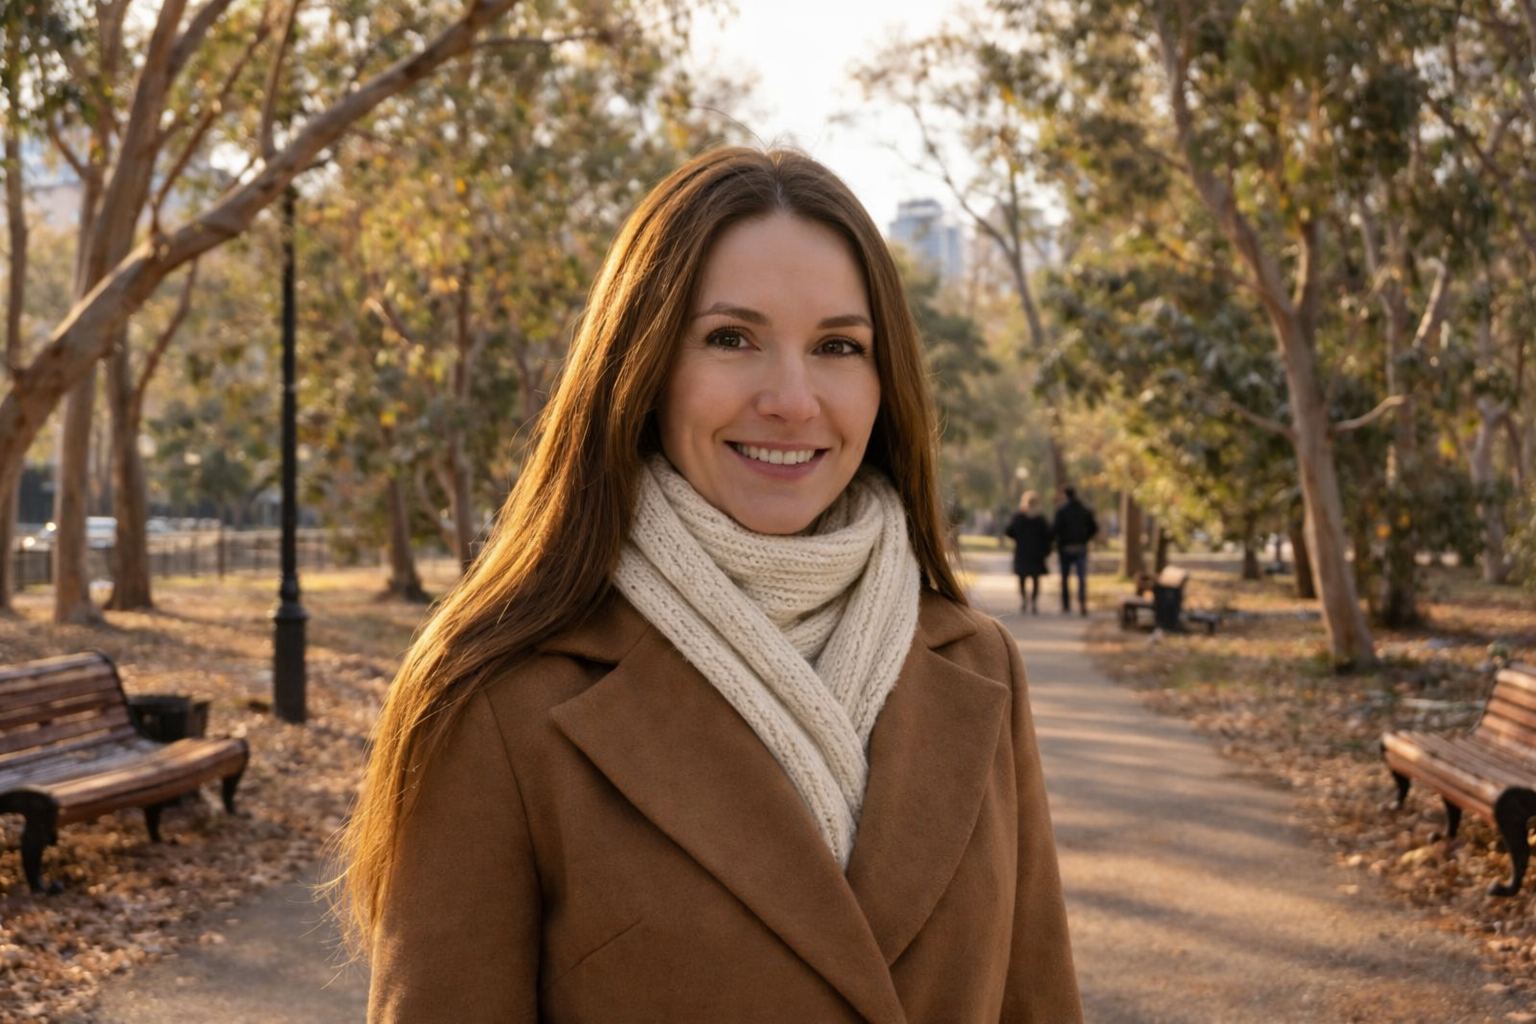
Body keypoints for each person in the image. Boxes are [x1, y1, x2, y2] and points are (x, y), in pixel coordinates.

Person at [335, 147, 1082, 1023]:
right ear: (642, 367)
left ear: (887, 383)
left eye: (839, 346)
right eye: (732, 339)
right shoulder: (499, 697)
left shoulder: (978, 665)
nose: (793, 399)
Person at [1005, 490, 1053, 614]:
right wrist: (1046, 550)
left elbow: (1009, 531)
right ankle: (1034, 602)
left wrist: (1018, 538)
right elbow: (1048, 536)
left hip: (1022, 551)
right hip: (1036, 553)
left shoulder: (1019, 517)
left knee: (1022, 578)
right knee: (1036, 578)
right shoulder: (1040, 518)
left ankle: (1024, 601)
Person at [1053, 486, 1098, 616]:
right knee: (1081, 577)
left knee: (1065, 578)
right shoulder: (1084, 510)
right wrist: (1085, 539)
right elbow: (1094, 528)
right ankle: (1082, 602)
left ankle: (1066, 605)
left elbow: (1056, 530)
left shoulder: (1061, 511)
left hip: (1066, 549)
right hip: (1080, 547)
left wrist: (1059, 543)